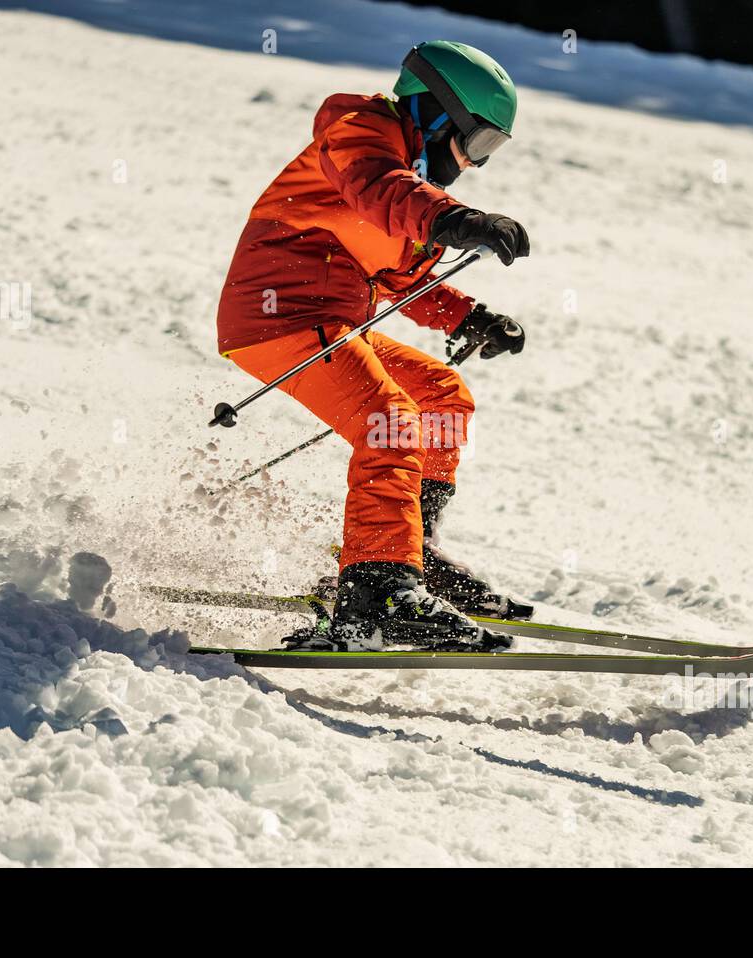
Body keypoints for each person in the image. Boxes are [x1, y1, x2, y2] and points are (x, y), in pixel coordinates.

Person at [215, 41, 531, 649]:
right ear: (440, 116)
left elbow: (403, 277)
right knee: (390, 421)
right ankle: (377, 588)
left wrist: (471, 317)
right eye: (478, 142)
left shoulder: (411, 185)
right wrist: (460, 219)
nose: (473, 163)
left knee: (442, 394)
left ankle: (408, 550)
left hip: (328, 322)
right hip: (277, 316)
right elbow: (378, 188)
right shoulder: (359, 129)